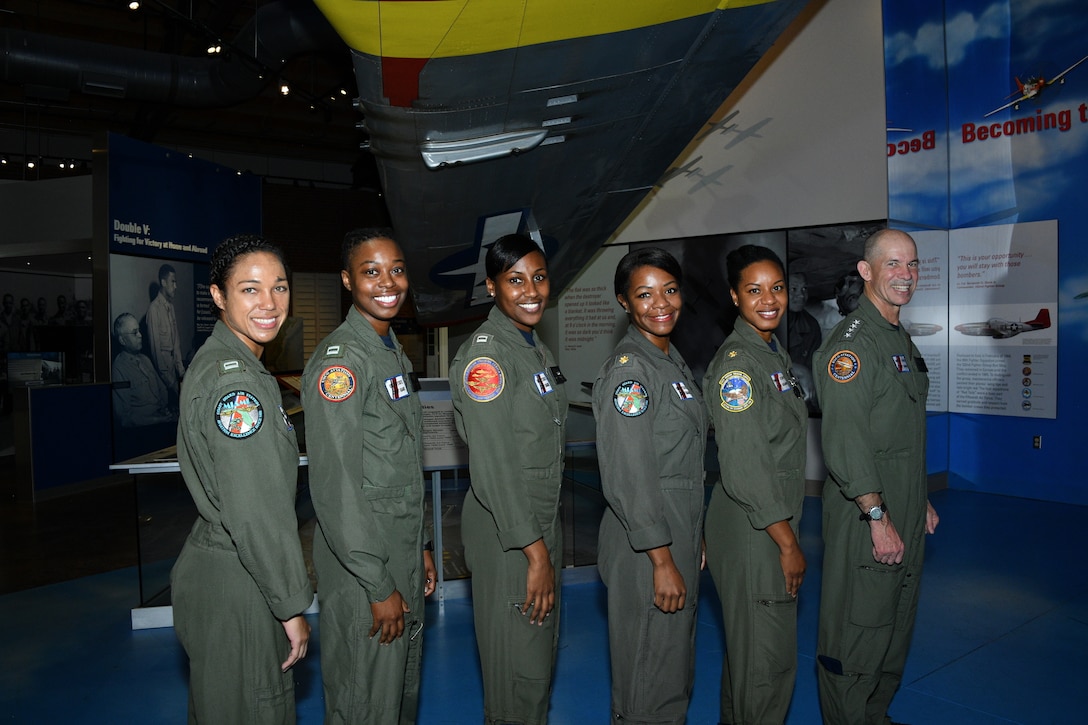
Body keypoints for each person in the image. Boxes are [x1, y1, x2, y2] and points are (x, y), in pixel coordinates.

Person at [170, 234, 312, 724]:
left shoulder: (233, 364)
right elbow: (253, 510)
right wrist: (291, 605)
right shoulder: (236, 383)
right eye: (250, 289)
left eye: (279, 287)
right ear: (218, 296)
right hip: (242, 582)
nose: (269, 304)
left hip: (233, 571)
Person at [301, 228, 437, 724]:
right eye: (371, 271)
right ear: (346, 280)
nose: (388, 282)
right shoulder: (343, 365)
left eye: (396, 270)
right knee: (365, 702)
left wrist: (420, 545)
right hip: (364, 569)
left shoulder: (388, 349)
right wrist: (379, 586)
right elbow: (336, 490)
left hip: (397, 550)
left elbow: (400, 462)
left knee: (397, 697)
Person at [813, 228, 939, 725]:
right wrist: (877, 514)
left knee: (895, 624)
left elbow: (901, 434)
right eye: (893, 264)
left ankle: (874, 716)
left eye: (912, 265)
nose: (905, 275)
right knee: (859, 629)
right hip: (867, 512)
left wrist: (920, 498)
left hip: (902, 504)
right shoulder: (852, 346)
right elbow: (845, 444)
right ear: (866, 271)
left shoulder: (897, 337)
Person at [449, 234, 568, 725]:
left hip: (535, 526)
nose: (531, 290)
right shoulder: (488, 358)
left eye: (538, 278)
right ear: (491, 287)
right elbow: (495, 468)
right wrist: (534, 552)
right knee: (517, 677)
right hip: (511, 536)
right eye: (515, 280)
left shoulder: (530, 347)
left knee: (535, 663)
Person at [593, 247, 708, 725]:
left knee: (671, 670)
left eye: (670, 290)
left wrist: (690, 535)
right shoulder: (630, 372)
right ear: (624, 301)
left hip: (674, 528)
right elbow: (629, 474)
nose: (661, 303)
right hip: (645, 544)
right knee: (648, 679)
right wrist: (662, 559)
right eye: (644, 294)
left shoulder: (670, 361)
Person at [703, 245, 807, 725]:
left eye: (778, 288)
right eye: (754, 290)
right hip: (757, 528)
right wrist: (787, 544)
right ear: (734, 296)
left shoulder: (770, 351)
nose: (769, 300)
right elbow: (745, 467)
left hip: (767, 521)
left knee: (750, 661)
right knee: (765, 664)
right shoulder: (738, 367)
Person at [111, 312, 175, 427]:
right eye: (134, 333)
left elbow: (162, 391)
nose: (140, 335)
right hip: (143, 430)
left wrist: (165, 410)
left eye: (139, 331)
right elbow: (125, 417)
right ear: (122, 340)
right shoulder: (119, 369)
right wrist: (157, 420)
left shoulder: (145, 360)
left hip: (161, 420)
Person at [147, 262, 185, 395]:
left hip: (174, 373)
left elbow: (176, 344)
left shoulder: (170, 308)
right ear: (163, 282)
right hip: (162, 378)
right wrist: (170, 382)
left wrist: (182, 374)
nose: (175, 286)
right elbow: (155, 351)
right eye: (172, 282)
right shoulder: (154, 309)